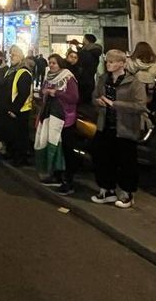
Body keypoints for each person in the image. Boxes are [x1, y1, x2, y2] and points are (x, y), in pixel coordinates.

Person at [90, 49, 146, 209]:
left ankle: (127, 193)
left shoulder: (134, 82)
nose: (108, 64)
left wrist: (115, 104)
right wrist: (98, 101)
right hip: (105, 126)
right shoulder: (103, 79)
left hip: (125, 128)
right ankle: (107, 190)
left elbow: (140, 106)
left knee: (126, 162)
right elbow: (94, 96)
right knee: (103, 159)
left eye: (112, 62)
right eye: (107, 61)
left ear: (122, 63)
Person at [33, 54, 79, 189]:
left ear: (60, 64)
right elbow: (43, 92)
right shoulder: (48, 77)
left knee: (65, 150)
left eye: (54, 63)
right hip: (49, 117)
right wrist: (44, 92)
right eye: (50, 63)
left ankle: (67, 179)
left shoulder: (68, 77)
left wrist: (56, 93)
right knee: (52, 146)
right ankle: (54, 174)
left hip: (64, 119)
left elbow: (74, 97)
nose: (51, 65)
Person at [1, 46, 33, 165]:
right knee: (12, 134)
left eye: (13, 54)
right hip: (10, 109)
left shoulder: (23, 72)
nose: (11, 56)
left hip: (20, 110)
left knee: (20, 136)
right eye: (10, 54)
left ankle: (20, 158)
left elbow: (23, 93)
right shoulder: (11, 70)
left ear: (20, 56)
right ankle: (12, 154)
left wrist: (14, 110)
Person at [78, 34, 103, 105]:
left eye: (83, 39)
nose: (82, 41)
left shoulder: (85, 52)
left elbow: (83, 61)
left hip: (83, 80)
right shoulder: (94, 51)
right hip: (90, 78)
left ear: (86, 40)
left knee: (83, 101)